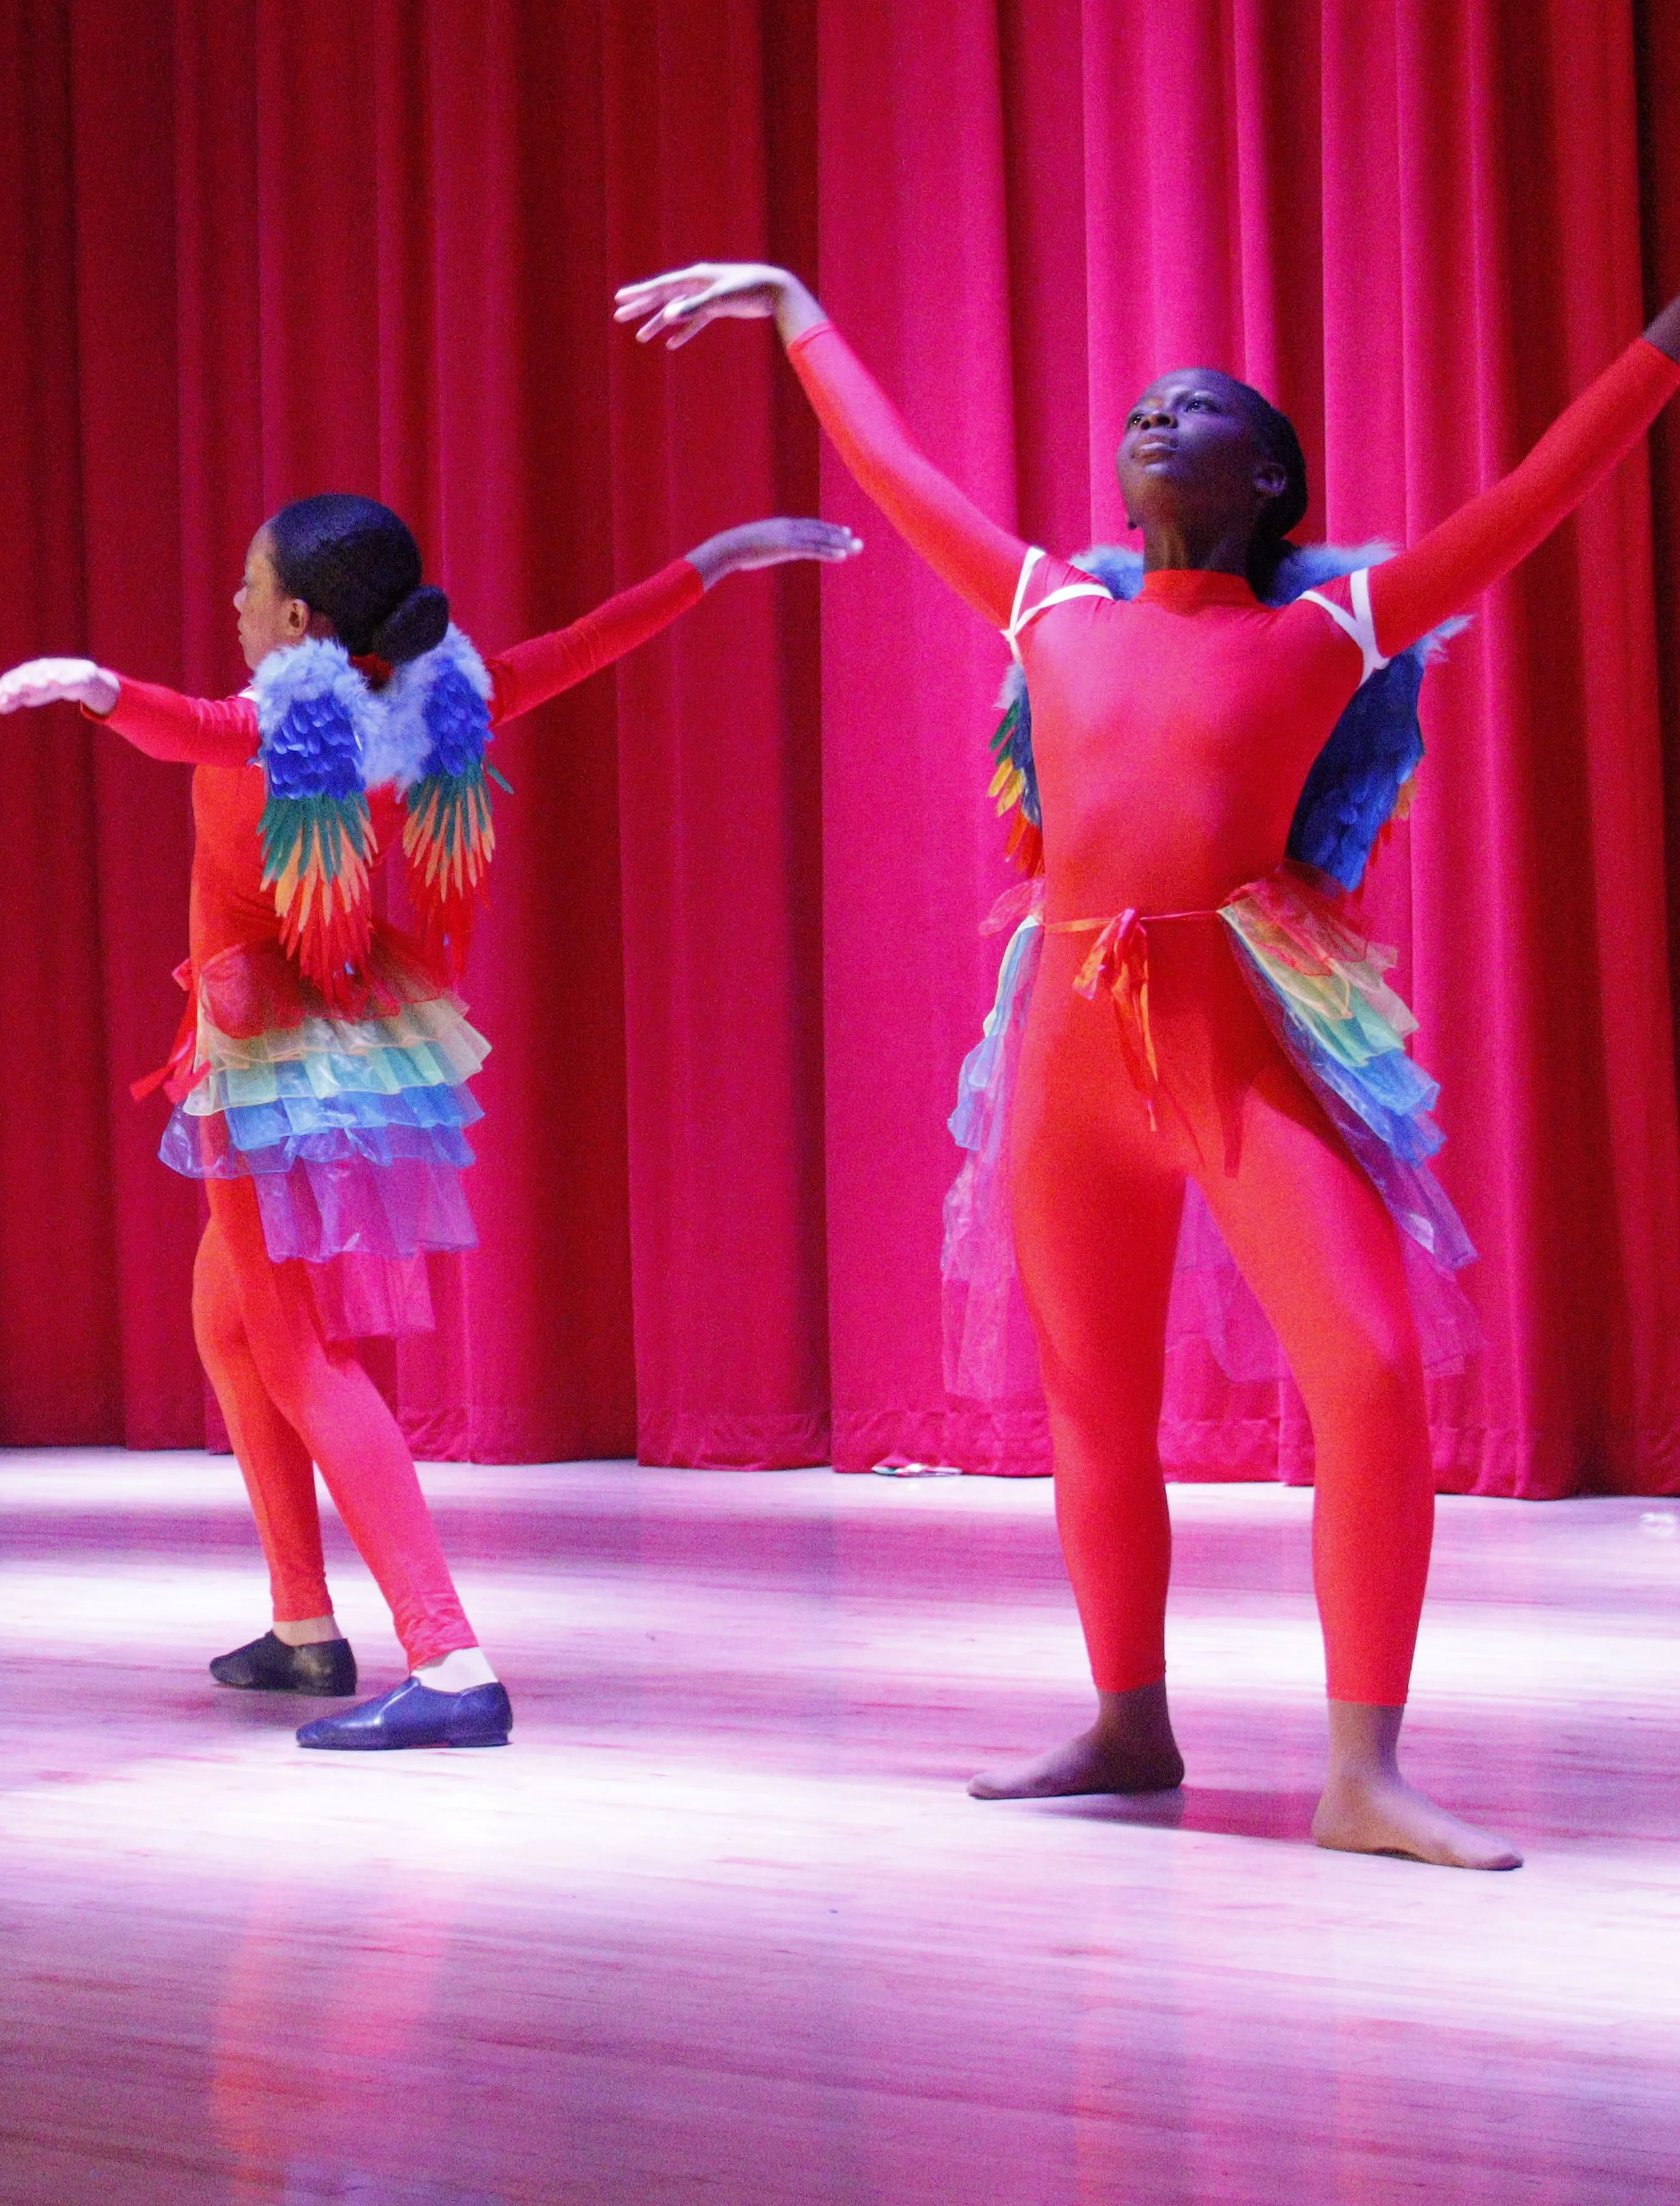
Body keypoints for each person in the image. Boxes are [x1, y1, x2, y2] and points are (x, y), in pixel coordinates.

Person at [615, 255, 1680, 1867]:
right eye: (1139, 409)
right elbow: (898, 475)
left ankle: (1360, 1773)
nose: (1154, 414)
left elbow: (1544, 484)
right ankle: (1128, 1719)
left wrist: (1664, 343)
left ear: (1268, 483)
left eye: (1199, 413)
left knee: (1374, 1375)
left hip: (1243, 1042)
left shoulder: (1338, 620)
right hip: (1068, 1058)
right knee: (1093, 1409)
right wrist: (794, 312)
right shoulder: (1051, 601)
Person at [0, 496, 854, 1751]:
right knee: (229, 1320)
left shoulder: (289, 725)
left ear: (298, 617)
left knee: (297, 1351)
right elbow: (582, 644)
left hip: (270, 1061)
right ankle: (301, 1624)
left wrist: (96, 685)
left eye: (246, 585)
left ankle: (448, 1655)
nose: (229, 605)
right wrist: (709, 563)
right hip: (325, 1034)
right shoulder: (437, 701)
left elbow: (192, 726)